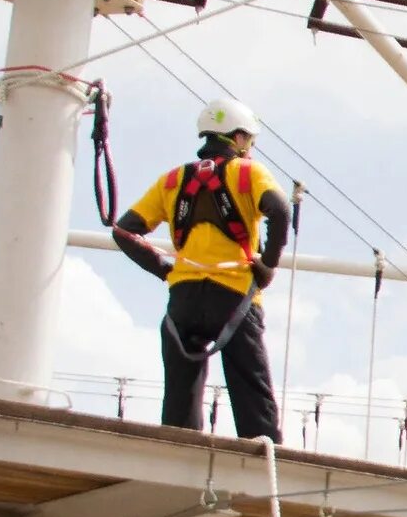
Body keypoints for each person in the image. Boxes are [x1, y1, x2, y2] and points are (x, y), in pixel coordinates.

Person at [112, 99, 291, 440]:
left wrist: (165, 269)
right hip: (235, 297)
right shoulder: (250, 173)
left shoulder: (173, 180)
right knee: (251, 391)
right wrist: (267, 265)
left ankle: (179, 456)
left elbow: (124, 231)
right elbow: (281, 211)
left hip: (184, 300)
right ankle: (265, 461)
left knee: (181, 392)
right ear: (238, 138)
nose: (250, 149)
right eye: (249, 141)